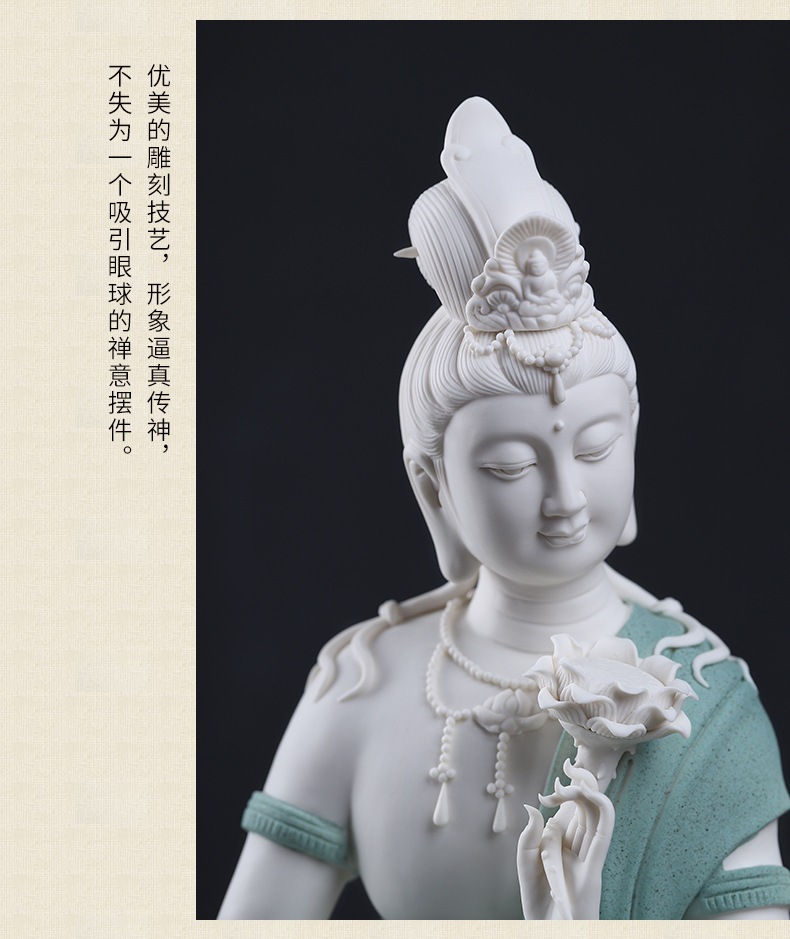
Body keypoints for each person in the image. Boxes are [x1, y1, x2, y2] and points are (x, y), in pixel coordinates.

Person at [218, 98, 790, 920]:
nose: (565, 497)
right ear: (433, 487)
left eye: (595, 447)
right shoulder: (361, 687)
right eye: (510, 465)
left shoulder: (701, 695)